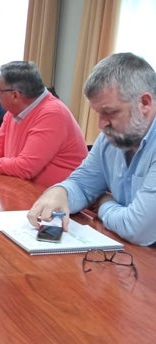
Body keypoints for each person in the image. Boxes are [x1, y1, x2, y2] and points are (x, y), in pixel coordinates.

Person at [28, 52, 156, 246]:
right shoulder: (112, 136)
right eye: (98, 113)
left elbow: (137, 229)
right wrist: (61, 191)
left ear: (144, 103)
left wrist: (103, 203)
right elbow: (82, 185)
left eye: (110, 112)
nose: (101, 124)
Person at [0, 61, 88, 187]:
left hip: (56, 200)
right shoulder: (14, 111)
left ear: (15, 95)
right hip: (23, 188)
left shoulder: (52, 113)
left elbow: (25, 168)